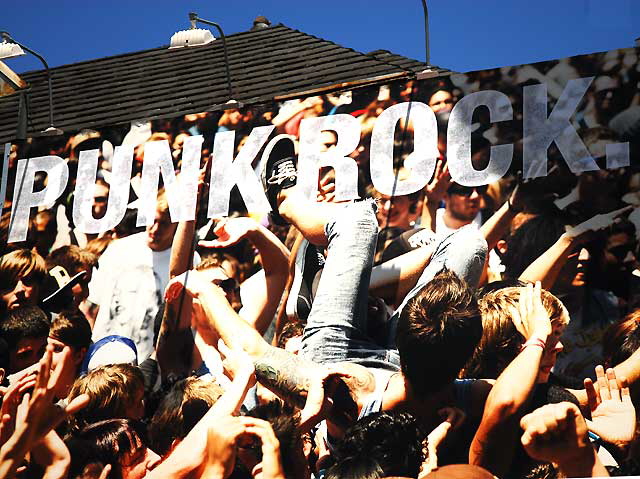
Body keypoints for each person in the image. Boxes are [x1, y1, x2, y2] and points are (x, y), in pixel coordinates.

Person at [88, 189, 184, 361]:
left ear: (177, 224)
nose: (155, 229)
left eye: (164, 223)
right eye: (152, 220)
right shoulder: (119, 249)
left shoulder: (184, 261)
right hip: (101, 358)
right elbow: (92, 305)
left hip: (147, 365)